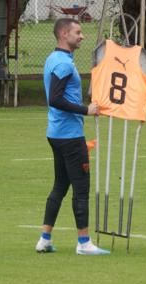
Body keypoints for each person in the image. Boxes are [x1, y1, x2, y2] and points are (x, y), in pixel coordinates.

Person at [35, 18, 110, 255]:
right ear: (64, 33)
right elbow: (55, 99)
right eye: (78, 32)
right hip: (69, 136)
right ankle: (84, 243)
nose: (82, 36)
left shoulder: (53, 59)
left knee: (60, 186)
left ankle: (44, 239)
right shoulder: (64, 64)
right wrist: (85, 110)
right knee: (81, 188)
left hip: (56, 133)